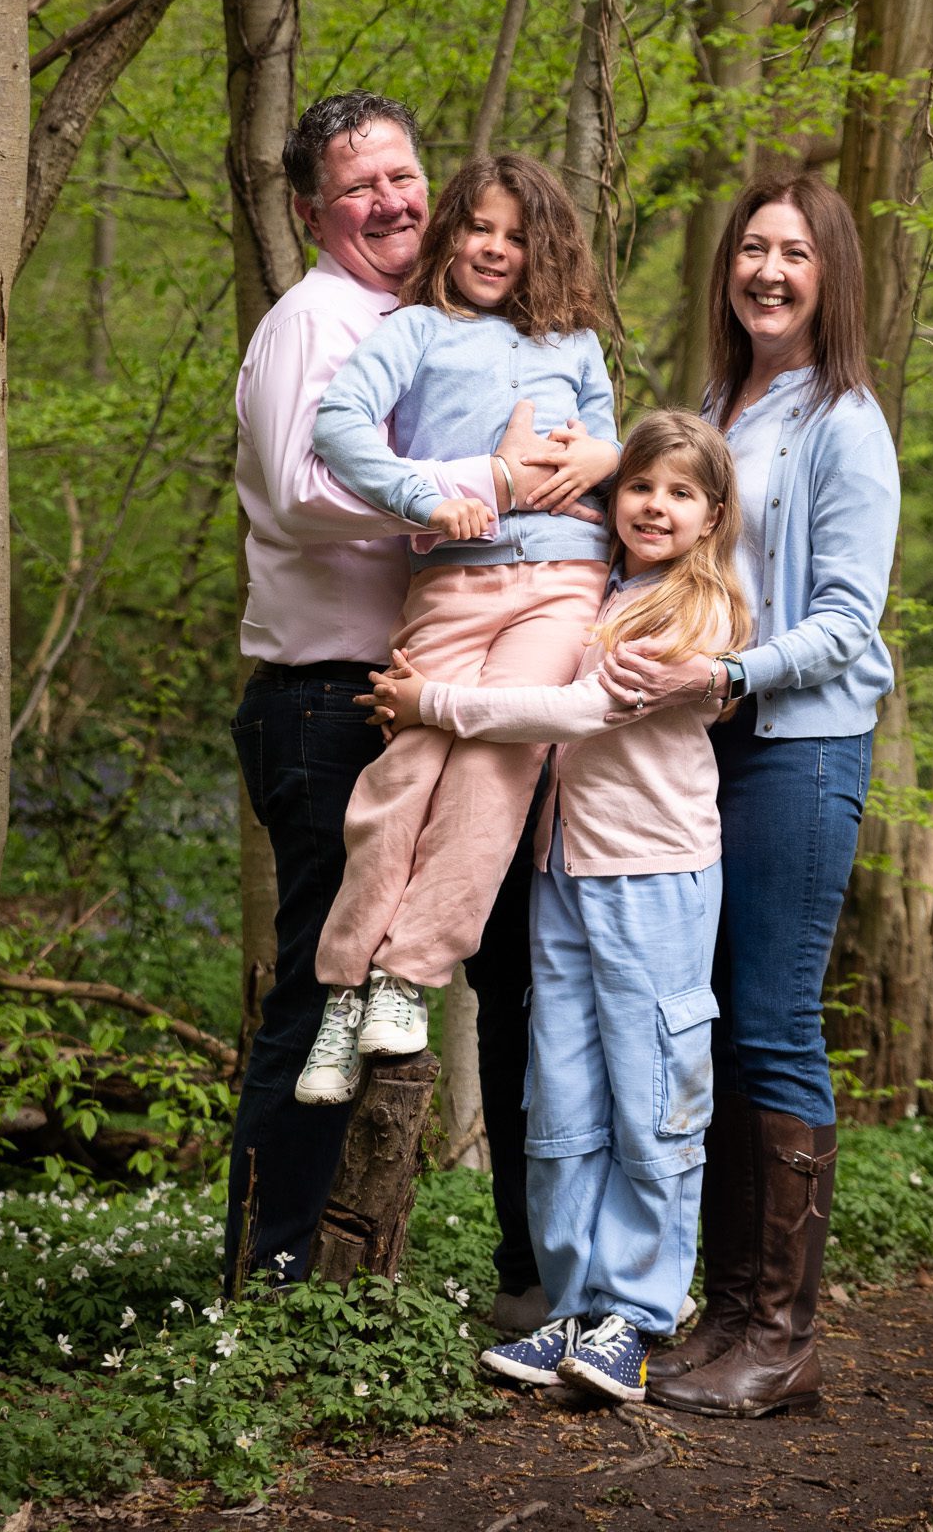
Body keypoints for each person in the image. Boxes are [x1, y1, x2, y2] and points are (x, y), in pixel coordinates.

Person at [227, 92, 565, 1302]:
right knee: (319, 986)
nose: (392, 201)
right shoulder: (310, 322)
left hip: (453, 690)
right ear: (313, 209)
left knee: (502, 970)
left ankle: (529, 1271)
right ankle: (262, 1291)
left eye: (403, 174)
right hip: (329, 701)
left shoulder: (440, 325)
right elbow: (296, 486)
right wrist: (483, 479)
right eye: (359, 185)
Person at [366, 412, 751, 1403]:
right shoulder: (597, 589)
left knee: (649, 1092)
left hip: (654, 875)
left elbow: (573, 712)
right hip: (560, 869)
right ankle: (571, 1306)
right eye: (639, 486)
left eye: (679, 493)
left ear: (711, 516)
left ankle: (635, 1311)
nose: (654, 506)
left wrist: (431, 702)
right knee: (564, 1095)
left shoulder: (693, 611)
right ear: (611, 496)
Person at [599, 173, 900, 1419]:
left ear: (828, 273)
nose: (766, 270)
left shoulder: (844, 419)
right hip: (701, 752)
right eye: (749, 249)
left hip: (798, 747)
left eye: (792, 252)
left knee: (772, 1023)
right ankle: (723, 1310)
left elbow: (845, 620)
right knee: (712, 1023)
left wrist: (727, 669)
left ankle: (781, 1332)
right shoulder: (724, 401)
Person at [293, 153, 619, 1093]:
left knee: (494, 764)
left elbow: (606, 446)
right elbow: (339, 424)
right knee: (408, 762)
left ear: (544, 249)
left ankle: (408, 976)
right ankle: (345, 990)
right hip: (452, 583)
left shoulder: (575, 344)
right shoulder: (417, 330)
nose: (495, 247)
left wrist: (598, 457)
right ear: (452, 231)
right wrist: (426, 498)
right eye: (480, 226)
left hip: (561, 582)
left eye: (518, 236)